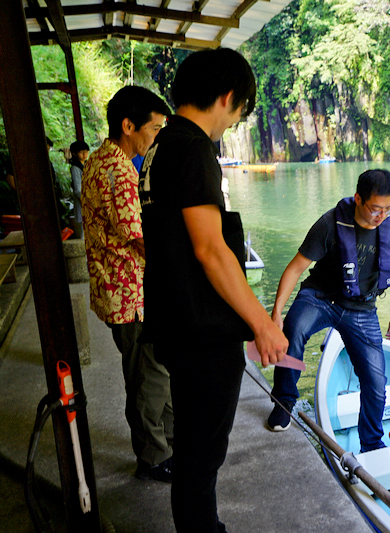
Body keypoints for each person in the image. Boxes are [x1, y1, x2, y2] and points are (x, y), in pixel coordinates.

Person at [139, 47, 288, 533]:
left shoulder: (161, 145)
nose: (236, 118)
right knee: (202, 458)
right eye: (241, 107)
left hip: (177, 324)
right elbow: (211, 250)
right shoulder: (193, 147)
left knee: (193, 451)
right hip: (201, 335)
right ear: (227, 97)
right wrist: (263, 324)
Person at [269, 169, 390, 452]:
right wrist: (276, 313)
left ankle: (371, 443)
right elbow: (296, 267)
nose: (381, 215)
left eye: (387, 208)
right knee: (293, 329)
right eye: (375, 208)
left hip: (362, 309)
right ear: (358, 199)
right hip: (320, 297)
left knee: (375, 382)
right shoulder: (329, 224)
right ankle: (284, 400)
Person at [80, 86, 174, 482]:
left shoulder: (100, 159)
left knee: (154, 370)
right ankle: (153, 458)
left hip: (118, 290)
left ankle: (166, 444)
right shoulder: (118, 171)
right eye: (152, 130)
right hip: (129, 295)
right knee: (147, 377)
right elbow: (140, 237)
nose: (155, 139)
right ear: (128, 125)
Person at [68, 140, 90, 230]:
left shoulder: (87, 165)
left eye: (86, 151)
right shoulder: (75, 168)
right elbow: (77, 189)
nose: (84, 154)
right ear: (74, 153)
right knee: (84, 231)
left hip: (90, 201)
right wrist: (87, 200)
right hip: (83, 202)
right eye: (81, 152)